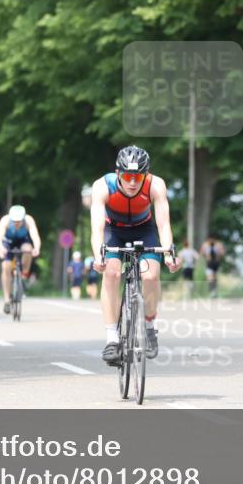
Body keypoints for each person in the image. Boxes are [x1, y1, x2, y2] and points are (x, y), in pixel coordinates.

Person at [91, 145, 180, 366]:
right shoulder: (102, 186)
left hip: (144, 229)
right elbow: (97, 228)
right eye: (128, 176)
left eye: (138, 177)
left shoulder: (156, 185)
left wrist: (169, 252)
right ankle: (112, 338)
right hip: (114, 231)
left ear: (146, 174)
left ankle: (149, 326)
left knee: (150, 276)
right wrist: (98, 256)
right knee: (111, 273)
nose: (132, 182)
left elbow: (163, 223)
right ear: (118, 173)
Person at [0, 205, 41, 314]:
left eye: (19, 221)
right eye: (14, 221)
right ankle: (7, 299)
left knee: (28, 249)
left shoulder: (28, 220)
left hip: (22, 241)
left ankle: (24, 274)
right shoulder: (5, 220)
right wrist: (1, 249)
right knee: (5, 266)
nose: (16, 223)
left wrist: (37, 248)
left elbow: (35, 236)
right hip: (8, 242)